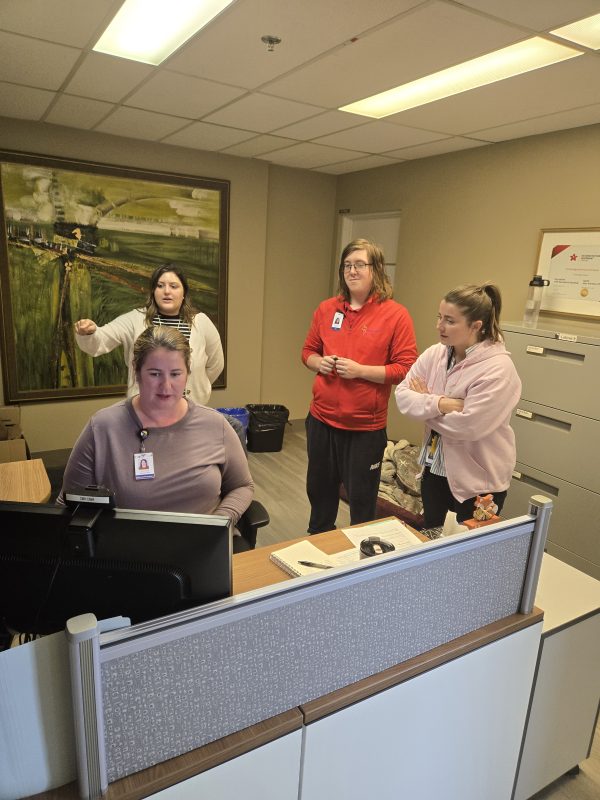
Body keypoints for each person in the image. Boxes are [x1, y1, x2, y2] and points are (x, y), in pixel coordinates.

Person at [59, 326, 253, 532]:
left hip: (204, 547)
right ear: (136, 371)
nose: (166, 386)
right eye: (155, 374)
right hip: (133, 555)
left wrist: (220, 522)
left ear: (187, 373)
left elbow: (242, 486)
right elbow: (69, 501)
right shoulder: (102, 428)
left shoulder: (216, 425)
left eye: (176, 374)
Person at [301, 238, 418, 533]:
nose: (352, 271)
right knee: (320, 495)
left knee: (362, 504)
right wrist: (319, 363)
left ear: (376, 269)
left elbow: (405, 368)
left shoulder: (395, 315)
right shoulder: (327, 309)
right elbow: (307, 352)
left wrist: (360, 371)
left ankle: (359, 566)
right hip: (322, 421)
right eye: (347, 265)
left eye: (360, 265)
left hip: (365, 428)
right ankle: (318, 549)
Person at [394, 283, 521, 529]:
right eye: (439, 317)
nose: (439, 326)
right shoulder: (435, 355)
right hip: (434, 466)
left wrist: (425, 405)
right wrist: (444, 403)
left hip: (479, 481)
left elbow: (468, 427)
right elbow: (402, 396)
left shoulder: (498, 370)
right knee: (432, 536)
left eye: (450, 321)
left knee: (468, 554)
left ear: (476, 326)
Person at [74, 263, 224, 404]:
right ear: (153, 292)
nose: (167, 291)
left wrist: (194, 385)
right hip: (144, 412)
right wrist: (90, 332)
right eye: (160, 286)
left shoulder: (201, 323)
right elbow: (101, 340)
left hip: (189, 412)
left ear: (184, 293)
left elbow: (216, 365)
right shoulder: (135, 319)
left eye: (174, 286)